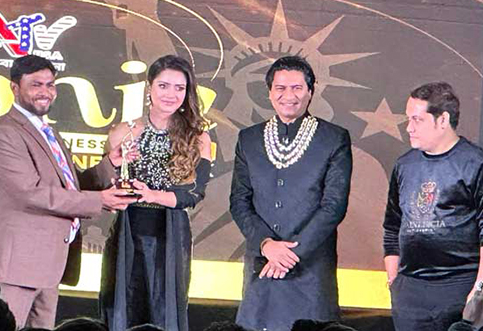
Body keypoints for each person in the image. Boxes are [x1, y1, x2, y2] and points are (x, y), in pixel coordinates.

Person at [0, 54, 137, 329]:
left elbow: (70, 185)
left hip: (49, 266)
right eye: (36, 84)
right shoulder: (6, 133)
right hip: (16, 267)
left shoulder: (48, 132)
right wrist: (99, 200)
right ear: (14, 87)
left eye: (50, 84)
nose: (45, 91)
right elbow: (31, 193)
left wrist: (110, 163)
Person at [229, 55, 352, 331]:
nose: (289, 96)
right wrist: (266, 245)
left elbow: (333, 206)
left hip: (310, 269)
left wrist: (289, 255)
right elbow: (239, 202)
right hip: (262, 265)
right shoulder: (249, 139)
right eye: (280, 88)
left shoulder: (333, 138)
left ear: (310, 91)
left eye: (297, 88)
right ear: (269, 93)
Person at [99, 55, 213, 331]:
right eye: (163, 86)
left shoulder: (198, 138)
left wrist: (152, 195)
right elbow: (103, 185)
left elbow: (194, 194)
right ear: (149, 87)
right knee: (121, 307)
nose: (171, 94)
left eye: (179, 88)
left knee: (165, 311)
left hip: (170, 233)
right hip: (127, 231)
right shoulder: (123, 132)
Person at [383, 82, 483, 331]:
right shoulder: (404, 165)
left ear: (443, 120)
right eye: (408, 119)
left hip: (461, 287)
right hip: (410, 293)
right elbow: (392, 226)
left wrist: (478, 291)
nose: (409, 128)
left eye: (417, 119)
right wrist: (394, 281)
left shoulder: (475, 163)